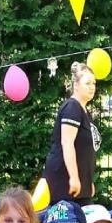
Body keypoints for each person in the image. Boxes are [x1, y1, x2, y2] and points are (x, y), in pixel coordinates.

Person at [43, 62, 100, 202]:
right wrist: (74, 178)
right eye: (87, 83)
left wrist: (87, 182)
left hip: (81, 186)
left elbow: (85, 149)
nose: (92, 87)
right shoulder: (72, 107)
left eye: (94, 83)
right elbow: (67, 143)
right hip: (66, 184)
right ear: (76, 85)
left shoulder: (84, 111)